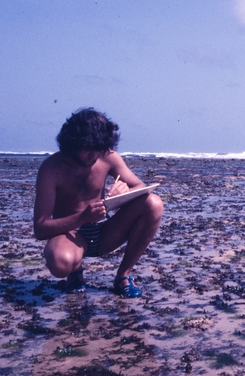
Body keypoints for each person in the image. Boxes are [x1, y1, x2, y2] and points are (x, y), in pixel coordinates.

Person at [33, 108, 163, 297]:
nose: (93, 156)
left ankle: (123, 276)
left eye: (99, 149)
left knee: (153, 203)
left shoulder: (107, 156)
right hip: (70, 235)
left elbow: (140, 187)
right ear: (72, 144)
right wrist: (82, 217)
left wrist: (125, 190)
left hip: (105, 232)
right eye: (88, 149)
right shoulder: (51, 169)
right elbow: (40, 228)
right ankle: (75, 271)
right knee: (60, 264)